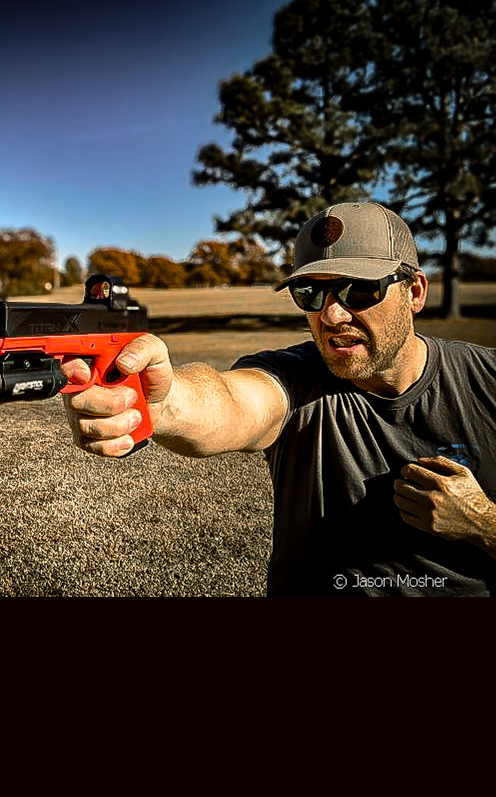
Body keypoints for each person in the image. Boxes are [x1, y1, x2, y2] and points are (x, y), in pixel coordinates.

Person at [62, 203, 496, 596]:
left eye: (360, 290)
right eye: (310, 293)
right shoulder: (297, 378)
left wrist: (482, 523)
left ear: (415, 292)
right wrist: (163, 401)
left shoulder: (487, 379)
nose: (331, 314)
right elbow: (232, 401)